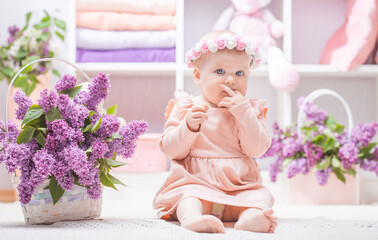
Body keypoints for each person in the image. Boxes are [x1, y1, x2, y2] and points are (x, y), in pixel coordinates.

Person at [153, 30, 277, 234]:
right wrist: (188, 127)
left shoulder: (249, 110)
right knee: (188, 197)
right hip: (197, 183)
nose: (230, 80)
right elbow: (171, 150)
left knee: (261, 196)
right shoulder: (186, 107)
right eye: (220, 72)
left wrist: (244, 114)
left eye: (240, 73)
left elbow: (256, 149)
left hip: (239, 187)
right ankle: (192, 218)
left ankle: (249, 218)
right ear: (198, 76)